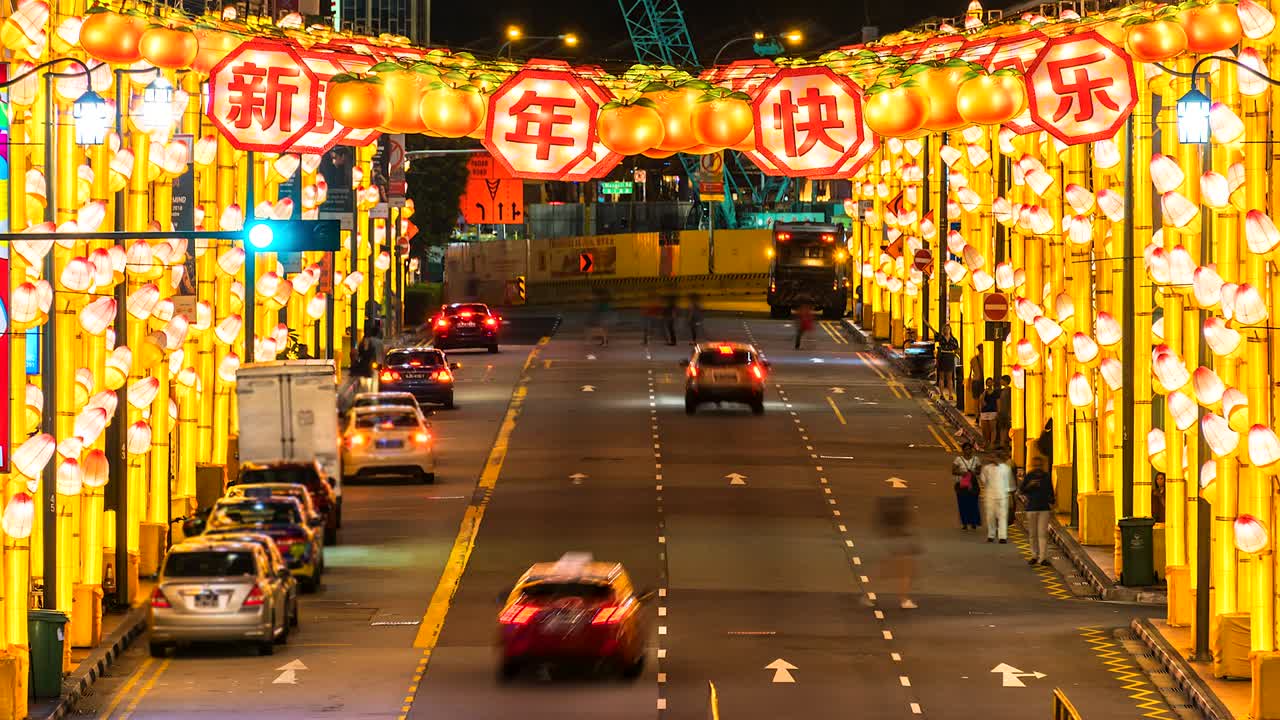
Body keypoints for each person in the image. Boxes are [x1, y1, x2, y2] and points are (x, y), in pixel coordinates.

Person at [874, 492, 920, 609]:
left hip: (892, 542)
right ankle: (904, 600)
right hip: (901, 544)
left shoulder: (888, 518)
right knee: (905, 573)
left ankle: (868, 594)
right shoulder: (902, 516)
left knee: (886, 570)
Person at [1019, 455, 1055, 565]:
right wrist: (1030, 485)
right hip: (1031, 508)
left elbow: (1050, 491)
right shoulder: (1029, 476)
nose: (1038, 467)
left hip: (1044, 508)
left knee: (1042, 534)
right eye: (1036, 465)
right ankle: (1034, 555)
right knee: (1033, 534)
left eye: (1040, 465)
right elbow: (1022, 490)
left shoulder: (1046, 477)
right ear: (1033, 466)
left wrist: (1052, 501)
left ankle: (1043, 558)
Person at [980, 451, 1015, 544]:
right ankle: (991, 535)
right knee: (990, 516)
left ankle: (1002, 536)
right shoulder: (987, 468)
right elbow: (983, 480)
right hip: (990, 495)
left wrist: (1010, 495)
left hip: (1003, 495)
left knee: (1002, 516)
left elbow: (1010, 483)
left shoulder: (1006, 468)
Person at [952, 441, 983, 530]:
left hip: (973, 484)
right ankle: (965, 523)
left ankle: (973, 522)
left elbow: (979, 470)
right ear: (963, 450)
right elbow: (953, 471)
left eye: (969, 449)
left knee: (973, 503)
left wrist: (973, 473)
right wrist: (962, 473)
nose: (968, 451)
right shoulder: (958, 459)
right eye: (966, 449)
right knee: (963, 504)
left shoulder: (976, 459)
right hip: (962, 484)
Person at [935, 326, 958, 402]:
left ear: (950, 330)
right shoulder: (941, 338)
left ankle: (950, 394)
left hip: (950, 357)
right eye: (945, 329)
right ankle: (941, 394)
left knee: (949, 377)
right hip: (942, 357)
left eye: (948, 329)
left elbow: (957, 348)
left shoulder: (953, 340)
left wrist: (955, 354)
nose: (947, 330)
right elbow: (938, 347)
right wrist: (937, 359)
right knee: (941, 377)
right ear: (943, 330)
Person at [980, 378, 1000, 449]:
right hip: (984, 411)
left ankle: (992, 443)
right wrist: (983, 395)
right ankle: (985, 442)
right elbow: (982, 403)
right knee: (984, 429)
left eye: (991, 382)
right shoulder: (984, 392)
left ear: (993, 383)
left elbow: (998, 402)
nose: (989, 384)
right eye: (988, 383)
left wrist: (998, 412)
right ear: (986, 384)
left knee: (992, 428)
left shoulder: (995, 392)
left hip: (992, 411)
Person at [997, 374, 1012, 450]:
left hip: (1007, 411)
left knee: (1007, 427)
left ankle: (1006, 443)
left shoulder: (1009, 390)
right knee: (1002, 427)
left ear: (1005, 381)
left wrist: (1010, 412)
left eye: (1001, 380)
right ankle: (1002, 443)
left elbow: (1010, 402)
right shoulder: (1002, 390)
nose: (1000, 381)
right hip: (1002, 411)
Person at [968, 347, 985, 416]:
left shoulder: (973, 359)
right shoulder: (985, 358)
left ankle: (977, 415)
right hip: (982, 381)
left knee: (976, 399)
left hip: (975, 381)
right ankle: (980, 414)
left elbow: (970, 372)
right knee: (981, 399)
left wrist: (969, 382)